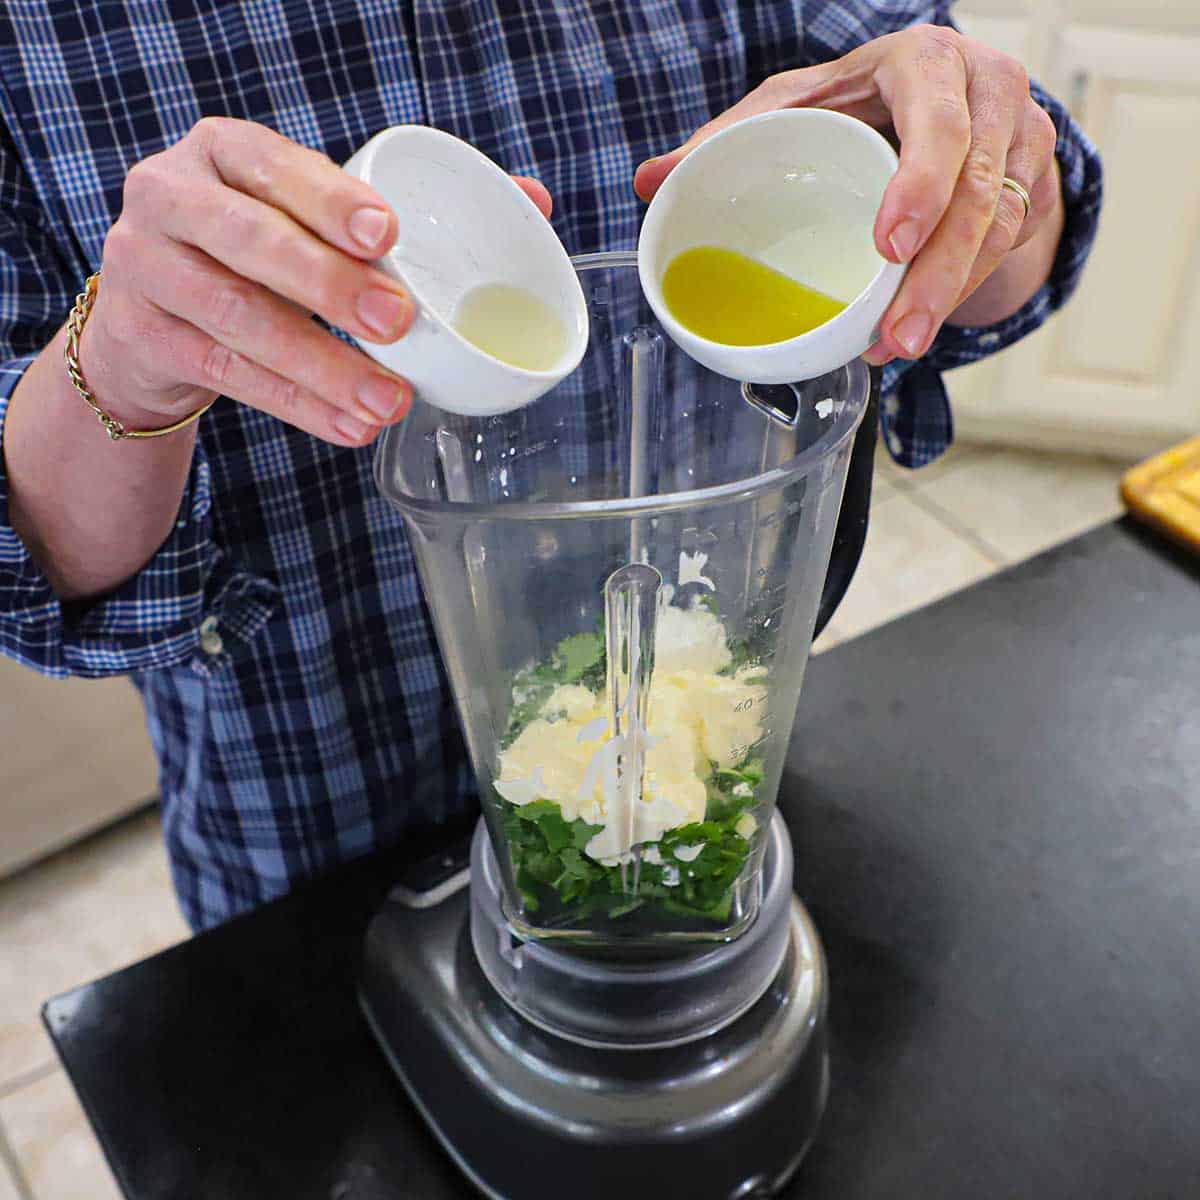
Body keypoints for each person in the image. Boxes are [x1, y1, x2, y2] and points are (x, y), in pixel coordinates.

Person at [0, 2, 1101, 930]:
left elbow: (985, 218)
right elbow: (34, 568)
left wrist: (990, 176)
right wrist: (125, 363)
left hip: (712, 753)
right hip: (312, 837)